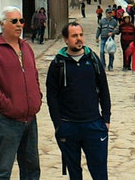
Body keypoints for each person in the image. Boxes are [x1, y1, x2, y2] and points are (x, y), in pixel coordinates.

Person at [0, 6, 43, 180]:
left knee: (31, 168)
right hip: (7, 120)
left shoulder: (26, 47)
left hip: (30, 119)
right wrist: (4, 103)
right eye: (14, 21)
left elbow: (34, 74)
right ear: (2, 24)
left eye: (21, 21)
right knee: (2, 170)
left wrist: (37, 98)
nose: (19, 24)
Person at [46, 23, 111, 180]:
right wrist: (58, 124)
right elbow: (51, 97)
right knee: (74, 172)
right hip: (68, 126)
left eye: (80, 35)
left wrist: (106, 119)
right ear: (66, 39)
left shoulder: (93, 60)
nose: (79, 39)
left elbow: (104, 90)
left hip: (94, 125)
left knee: (100, 171)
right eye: (74, 36)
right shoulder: (57, 64)